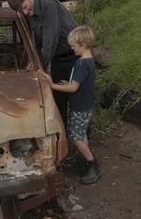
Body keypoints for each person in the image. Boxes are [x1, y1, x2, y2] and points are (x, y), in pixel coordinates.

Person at [40, 26, 100, 184]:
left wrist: (52, 85)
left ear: (82, 44)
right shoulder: (89, 60)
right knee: (82, 134)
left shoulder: (80, 64)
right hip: (86, 104)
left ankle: (92, 162)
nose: (71, 49)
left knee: (74, 136)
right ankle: (85, 161)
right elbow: (78, 83)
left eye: (73, 46)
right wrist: (69, 83)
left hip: (79, 106)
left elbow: (73, 88)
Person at [7, 0, 77, 123]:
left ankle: (82, 137)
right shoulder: (26, 14)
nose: (26, 12)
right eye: (21, 10)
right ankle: (62, 136)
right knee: (59, 97)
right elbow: (37, 42)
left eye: (25, 7)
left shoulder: (48, 5)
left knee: (77, 97)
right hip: (58, 58)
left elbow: (50, 43)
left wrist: (39, 69)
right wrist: (34, 61)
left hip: (74, 56)